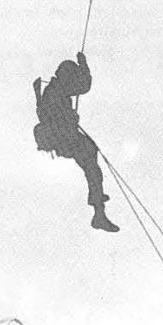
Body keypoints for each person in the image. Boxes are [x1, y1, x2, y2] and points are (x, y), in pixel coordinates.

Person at [33, 52, 119, 233]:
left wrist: (83, 65)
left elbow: (84, 86)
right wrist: (71, 118)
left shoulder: (59, 89)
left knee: (92, 163)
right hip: (64, 140)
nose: (72, 81)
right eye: (71, 76)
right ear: (65, 76)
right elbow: (54, 117)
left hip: (66, 139)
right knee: (92, 165)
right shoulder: (54, 93)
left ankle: (98, 208)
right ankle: (98, 209)